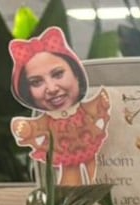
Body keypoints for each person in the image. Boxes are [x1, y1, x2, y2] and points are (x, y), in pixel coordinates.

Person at [8, 27, 110, 186]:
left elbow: (96, 109)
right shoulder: (47, 121)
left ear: (77, 75)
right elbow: (34, 128)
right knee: (70, 179)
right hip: (65, 153)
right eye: (36, 82)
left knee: (98, 175)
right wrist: (24, 128)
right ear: (27, 92)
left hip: (89, 147)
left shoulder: (83, 110)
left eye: (58, 74)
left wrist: (101, 102)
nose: (52, 88)